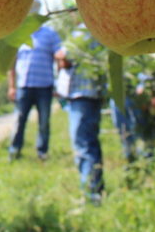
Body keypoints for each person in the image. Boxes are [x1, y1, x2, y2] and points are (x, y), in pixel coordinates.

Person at [8, 10, 64, 161]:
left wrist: (59, 83)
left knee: (44, 121)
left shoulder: (50, 34)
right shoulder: (18, 34)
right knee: (19, 120)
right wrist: (11, 86)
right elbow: (11, 63)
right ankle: (14, 150)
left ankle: (42, 152)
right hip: (24, 86)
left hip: (44, 86)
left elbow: (59, 57)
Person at [55, 46, 105, 205]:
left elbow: (64, 57)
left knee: (84, 144)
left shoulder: (84, 30)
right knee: (90, 143)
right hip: (90, 95)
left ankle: (91, 194)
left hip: (83, 95)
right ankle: (96, 188)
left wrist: (60, 57)